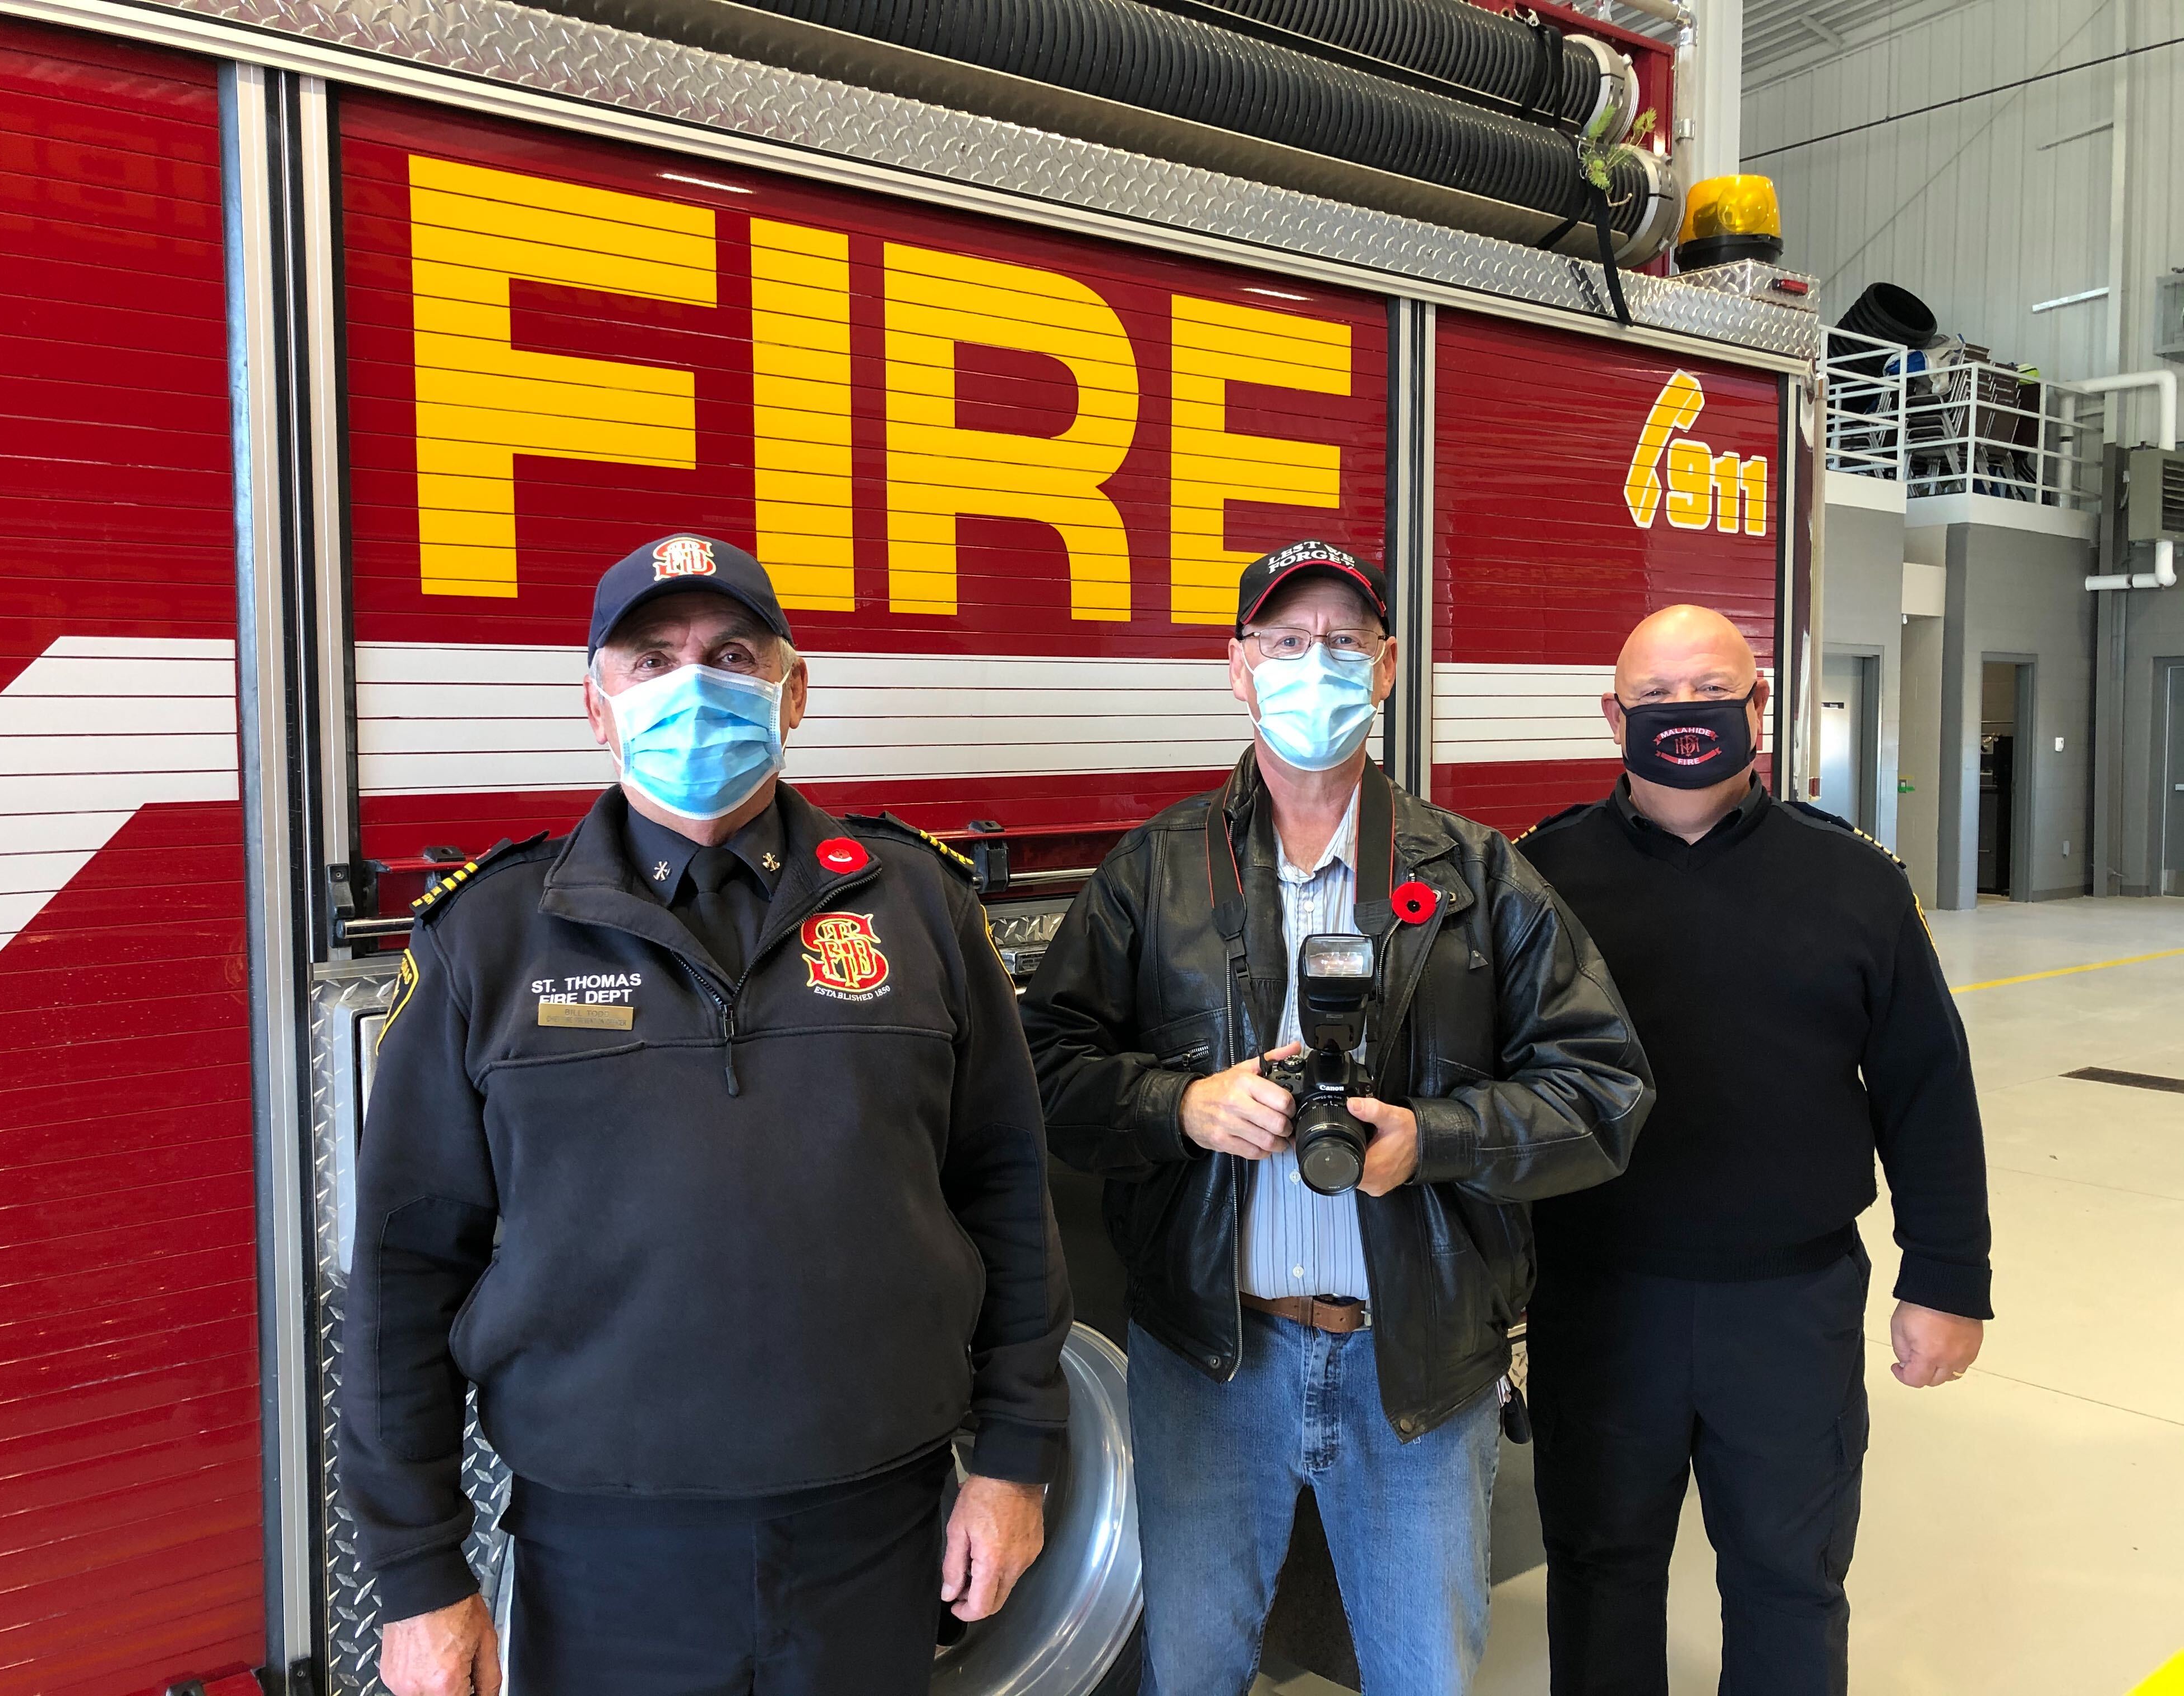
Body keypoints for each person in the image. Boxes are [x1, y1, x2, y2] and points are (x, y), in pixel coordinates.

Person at [343, 533, 1071, 1696]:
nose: (693, 687)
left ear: (794, 690)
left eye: (731, 655)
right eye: (652, 660)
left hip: (875, 1527)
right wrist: (420, 1572)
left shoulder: (919, 907)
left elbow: (1007, 1192)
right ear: (597, 705)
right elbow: (403, 1271)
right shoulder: (490, 937)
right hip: (604, 1552)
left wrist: (1017, 1460)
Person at [1018, 540, 1654, 1695]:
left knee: (1424, 1673)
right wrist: (1183, 1105)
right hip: (1210, 1360)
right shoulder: (1152, 874)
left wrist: (1434, 1140)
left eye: (1344, 643)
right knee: (1193, 1669)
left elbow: (1604, 1088)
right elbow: (1048, 1074)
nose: (1316, 665)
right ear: (1239, 669)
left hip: (1417, 1366)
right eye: (1287, 641)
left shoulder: (1479, 877)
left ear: (1388, 666)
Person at [1514, 603, 1993, 1696]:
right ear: (1613, 717)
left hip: (1790, 1305)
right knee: (1598, 1568)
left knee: (1790, 1580)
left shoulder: (1857, 880)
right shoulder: (1537, 881)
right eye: (1655, 698)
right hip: (1598, 1301)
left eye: (1711, 692)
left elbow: (1928, 1089)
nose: (1684, 714)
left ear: (1759, 707)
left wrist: (1947, 1280)